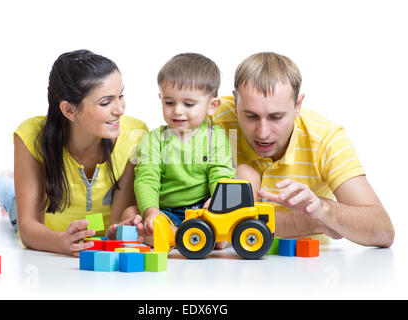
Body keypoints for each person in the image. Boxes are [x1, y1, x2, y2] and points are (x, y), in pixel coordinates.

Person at [210, 52, 394, 247]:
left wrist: (322, 209)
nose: (263, 133)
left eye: (276, 117)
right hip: (226, 266)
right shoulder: (211, 117)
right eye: (251, 116)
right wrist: (313, 222)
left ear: (298, 105)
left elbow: (382, 230)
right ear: (236, 102)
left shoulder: (325, 139)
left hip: (306, 269)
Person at [0, 50, 148, 257]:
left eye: (121, 96)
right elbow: (28, 229)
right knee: (10, 196)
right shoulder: (30, 136)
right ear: (69, 111)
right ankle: (4, 180)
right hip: (48, 232)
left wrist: (122, 231)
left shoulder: (135, 136)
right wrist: (61, 242)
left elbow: (117, 224)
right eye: (105, 102)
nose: (120, 109)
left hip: (94, 235)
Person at [121, 53, 236, 246]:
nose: (177, 111)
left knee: (221, 228)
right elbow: (147, 179)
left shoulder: (215, 136)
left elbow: (221, 174)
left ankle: (176, 237)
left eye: (189, 104)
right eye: (169, 102)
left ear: (212, 106)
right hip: (166, 211)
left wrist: (216, 203)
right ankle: (183, 237)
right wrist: (152, 212)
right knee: (130, 214)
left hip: (201, 210)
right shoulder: (154, 139)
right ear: (161, 99)